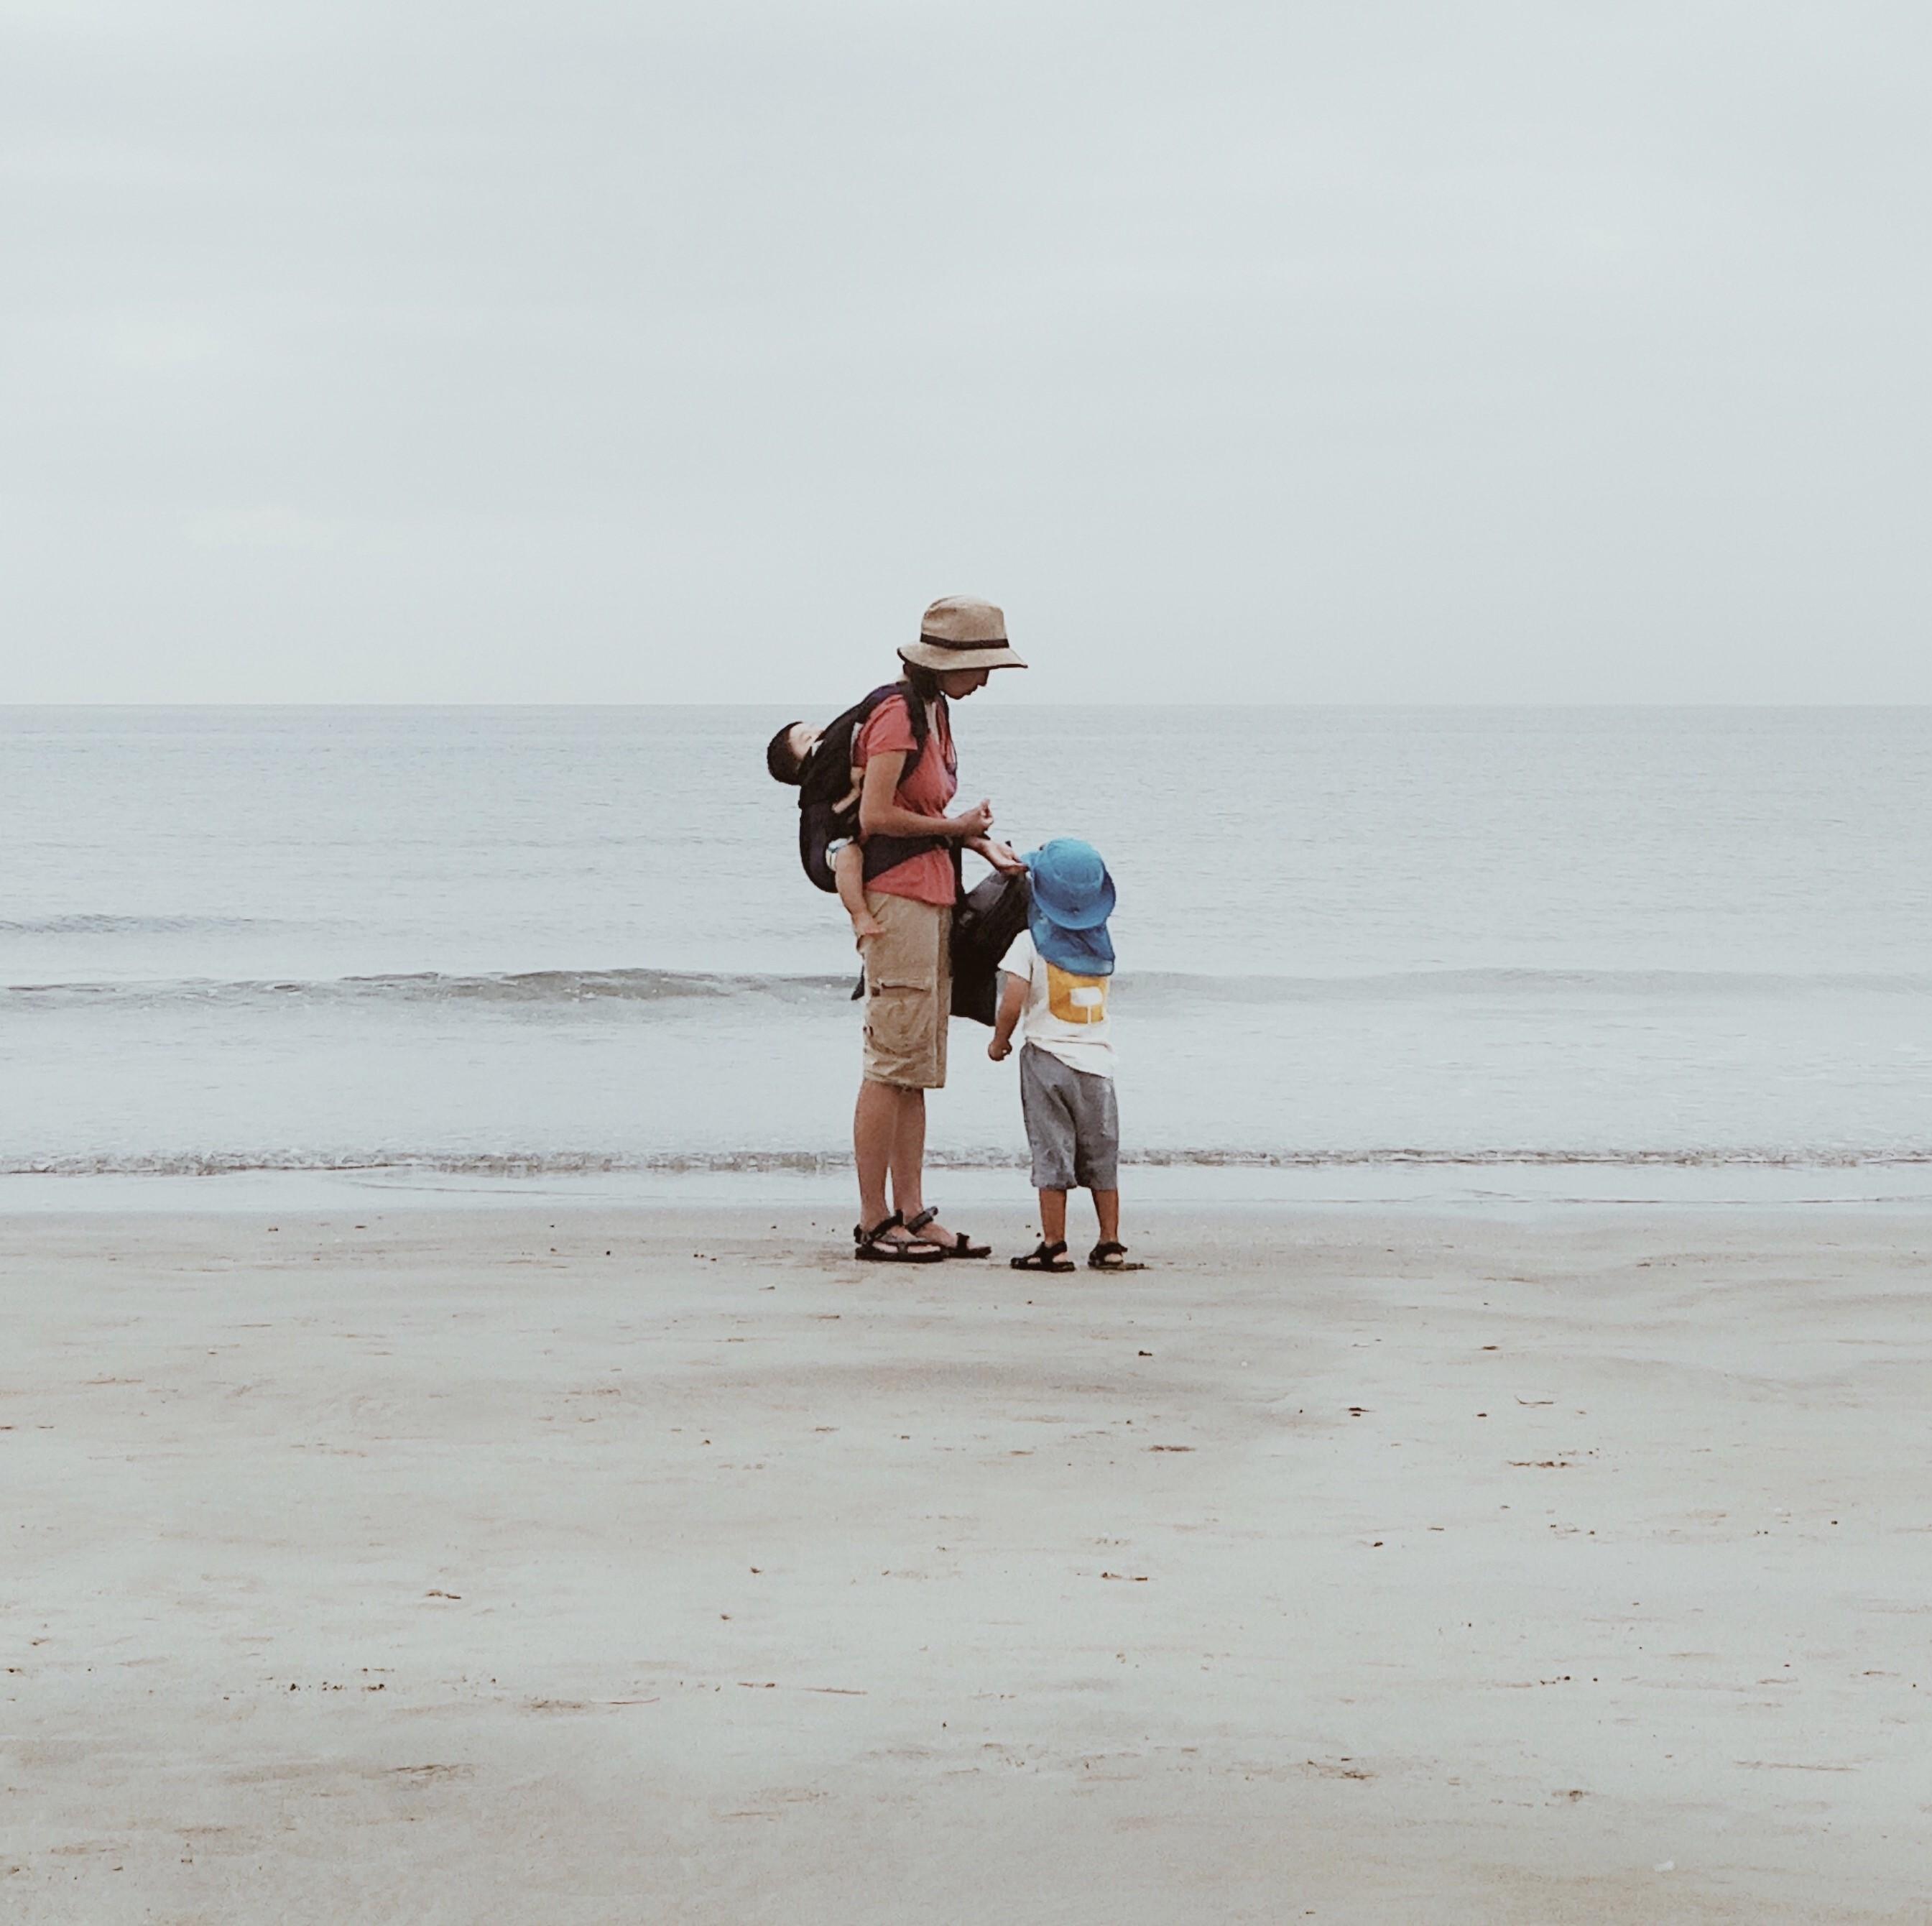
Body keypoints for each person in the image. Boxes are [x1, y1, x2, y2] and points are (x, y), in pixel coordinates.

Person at [850, 596, 1026, 1263]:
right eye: (980, 666)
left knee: (917, 1065)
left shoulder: (936, 712)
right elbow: (874, 818)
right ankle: (874, 1222)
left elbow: (922, 812)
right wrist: (958, 831)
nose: (985, 679)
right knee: (889, 1062)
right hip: (894, 903)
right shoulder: (897, 713)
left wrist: (980, 848)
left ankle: (913, 1211)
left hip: (931, 897)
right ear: (946, 661)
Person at [989, 838, 1143, 1273]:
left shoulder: (1027, 943)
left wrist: (1000, 1041)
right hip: (1098, 1066)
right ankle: (1110, 1242)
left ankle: (1055, 1245)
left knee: (1051, 1151)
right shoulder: (1101, 946)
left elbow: (1013, 1000)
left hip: (1046, 1062)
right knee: (1101, 1154)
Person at [764, 719, 887, 944]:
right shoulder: (816, 793)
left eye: (813, 727)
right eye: (807, 738)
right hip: (823, 858)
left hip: (843, 836)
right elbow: (835, 814)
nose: (818, 732)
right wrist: (859, 791)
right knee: (849, 854)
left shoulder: (836, 772)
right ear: (803, 768)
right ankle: (859, 914)